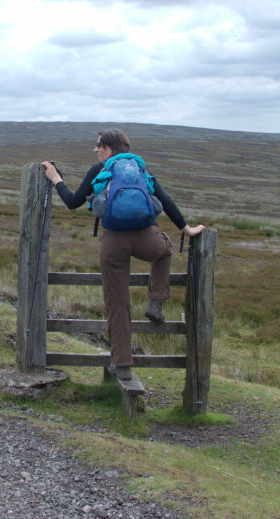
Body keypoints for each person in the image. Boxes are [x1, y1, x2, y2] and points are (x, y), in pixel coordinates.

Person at [41, 129, 205, 382]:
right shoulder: (140, 169)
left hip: (113, 243)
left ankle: (122, 364)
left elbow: (73, 202)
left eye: (98, 146)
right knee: (165, 250)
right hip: (147, 238)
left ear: (108, 148)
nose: (95, 150)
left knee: (117, 304)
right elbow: (166, 201)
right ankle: (156, 302)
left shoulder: (101, 170)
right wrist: (186, 229)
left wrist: (55, 178)